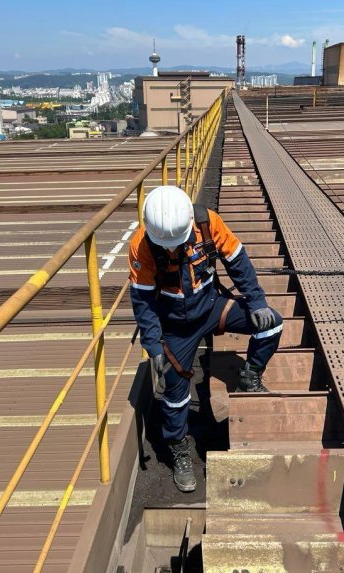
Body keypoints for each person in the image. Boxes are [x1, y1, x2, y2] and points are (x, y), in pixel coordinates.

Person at [128, 185, 283, 492]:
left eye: (177, 242)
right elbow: (143, 302)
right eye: (167, 245)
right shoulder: (141, 246)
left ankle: (249, 376)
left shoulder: (206, 223)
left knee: (271, 325)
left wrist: (256, 302)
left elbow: (238, 263)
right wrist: (154, 344)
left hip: (211, 307)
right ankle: (179, 449)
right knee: (174, 393)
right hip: (176, 326)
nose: (172, 249)